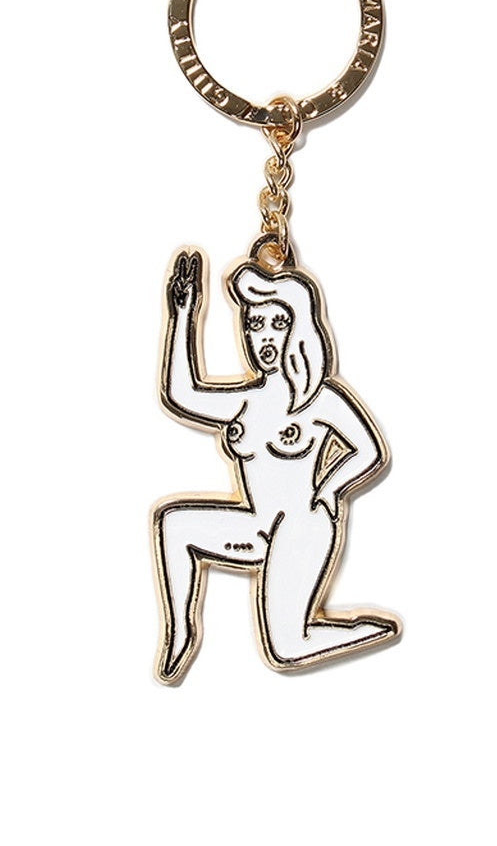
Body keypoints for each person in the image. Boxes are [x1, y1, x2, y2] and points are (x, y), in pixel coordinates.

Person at [151, 247, 400, 683]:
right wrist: (183, 315)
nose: (264, 337)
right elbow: (181, 394)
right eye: (254, 324)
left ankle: (370, 629)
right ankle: (180, 631)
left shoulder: (318, 398)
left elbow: (370, 451)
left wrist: (329, 488)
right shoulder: (247, 400)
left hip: (302, 526)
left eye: (277, 323)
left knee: (285, 649)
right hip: (257, 524)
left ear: (297, 329)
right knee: (173, 523)